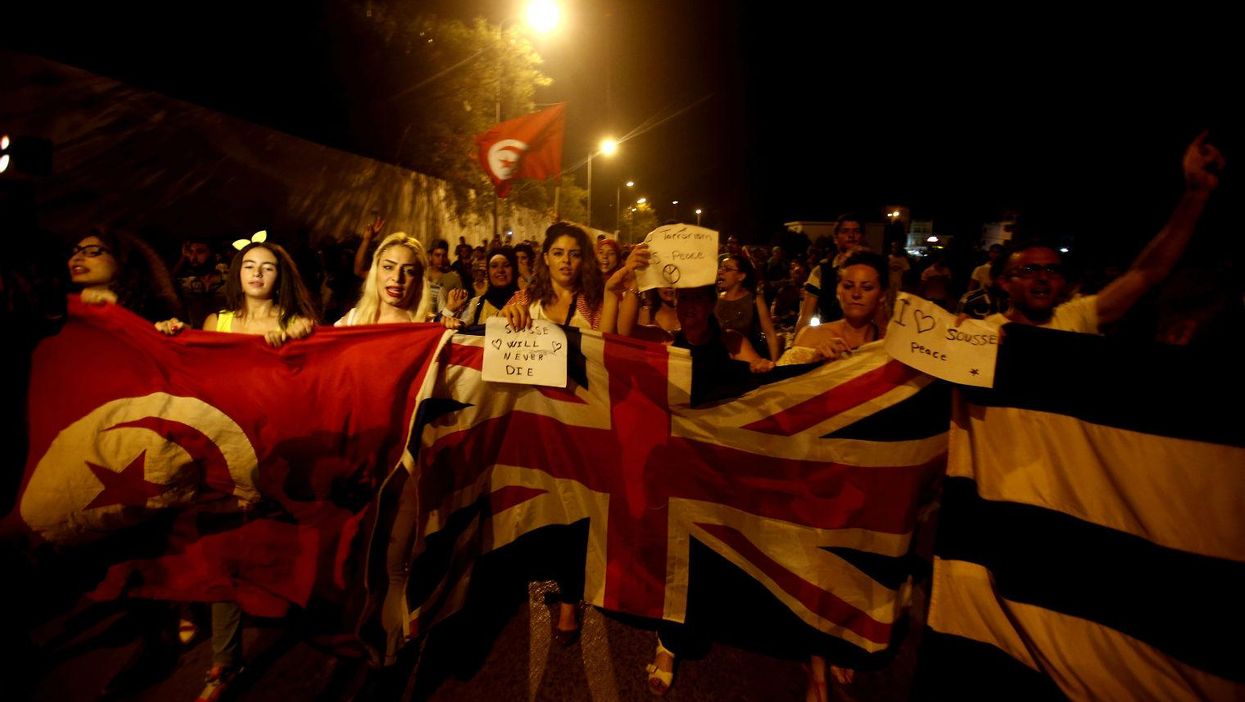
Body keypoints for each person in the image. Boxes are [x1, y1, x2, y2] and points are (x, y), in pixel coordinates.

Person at [156, 239, 319, 701]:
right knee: (225, 547)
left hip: (280, 453)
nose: (257, 274)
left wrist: (305, 338)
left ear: (280, 276)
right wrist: (173, 335)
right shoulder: (217, 323)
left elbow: (318, 382)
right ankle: (225, 661)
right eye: (249, 265)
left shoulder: (295, 324)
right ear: (237, 272)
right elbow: (192, 375)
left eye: (267, 267)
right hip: (227, 454)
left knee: (281, 541)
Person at [497, 223, 640, 643]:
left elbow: (614, 345)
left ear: (585, 261)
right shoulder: (528, 298)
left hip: (582, 423)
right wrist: (506, 315)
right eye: (558, 253)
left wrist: (619, 291)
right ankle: (553, 579)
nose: (566, 261)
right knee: (546, 506)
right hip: (537, 423)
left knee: (578, 511)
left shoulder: (595, 300)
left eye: (575, 254)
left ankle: (568, 603)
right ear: (545, 257)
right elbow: (499, 332)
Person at [986, 131, 1224, 333]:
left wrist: (1196, 194)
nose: (1043, 277)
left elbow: (1147, 273)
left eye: (1053, 269)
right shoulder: (982, 332)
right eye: (1029, 269)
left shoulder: (1076, 317)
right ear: (1005, 282)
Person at [778, 252, 887, 366]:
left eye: (867, 288)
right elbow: (779, 381)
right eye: (848, 286)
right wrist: (813, 366)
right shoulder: (812, 336)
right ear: (838, 291)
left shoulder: (889, 344)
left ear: (882, 295)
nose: (856, 294)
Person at [337, 233, 459, 327]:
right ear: (376, 271)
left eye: (409, 271)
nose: (397, 278)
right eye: (388, 267)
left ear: (418, 281)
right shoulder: (353, 320)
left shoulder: (429, 326)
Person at [797, 214, 865, 331]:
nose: (851, 235)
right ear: (835, 238)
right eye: (845, 231)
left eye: (856, 231)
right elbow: (805, 316)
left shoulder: (872, 269)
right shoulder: (821, 271)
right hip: (829, 339)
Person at [714, 253, 781, 360]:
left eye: (727, 269)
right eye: (720, 268)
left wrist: (775, 363)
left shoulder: (754, 299)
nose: (720, 272)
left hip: (748, 360)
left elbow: (769, 333)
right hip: (719, 359)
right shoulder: (714, 299)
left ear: (741, 276)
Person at [445, 247, 520, 326]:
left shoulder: (527, 303)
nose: (500, 270)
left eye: (506, 265)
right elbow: (450, 328)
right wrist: (450, 309)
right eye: (494, 266)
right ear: (488, 271)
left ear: (514, 269)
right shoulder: (476, 305)